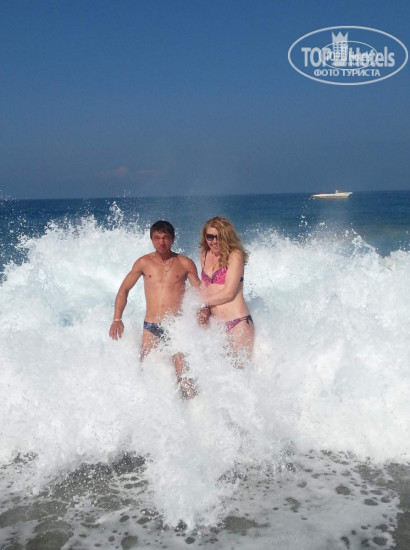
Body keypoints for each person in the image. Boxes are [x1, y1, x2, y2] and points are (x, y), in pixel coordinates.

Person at [109, 220, 200, 398]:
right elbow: (123, 290)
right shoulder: (143, 262)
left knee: (184, 376)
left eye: (165, 237)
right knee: (146, 372)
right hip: (151, 327)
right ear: (151, 240)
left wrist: (204, 311)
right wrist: (117, 319)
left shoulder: (185, 263)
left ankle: (194, 408)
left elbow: (200, 291)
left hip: (176, 327)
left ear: (173, 239)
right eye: (157, 238)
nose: (161, 242)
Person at [199, 216, 254, 365]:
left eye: (219, 237)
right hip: (216, 326)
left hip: (238, 323)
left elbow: (229, 292)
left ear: (227, 236)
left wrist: (203, 303)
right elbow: (205, 286)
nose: (214, 241)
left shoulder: (235, 255)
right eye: (210, 237)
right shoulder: (204, 254)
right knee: (219, 373)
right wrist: (205, 310)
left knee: (240, 373)